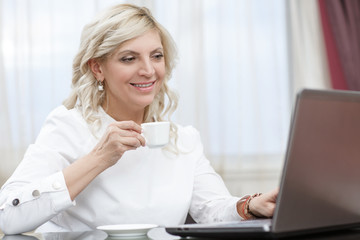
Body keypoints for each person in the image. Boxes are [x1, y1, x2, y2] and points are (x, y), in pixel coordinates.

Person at [0, 4, 278, 235]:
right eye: (129, 58)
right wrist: (99, 158)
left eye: (156, 56)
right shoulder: (68, 126)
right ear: (97, 67)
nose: (148, 70)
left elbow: (211, 209)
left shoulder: (183, 140)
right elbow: (8, 216)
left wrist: (250, 206)